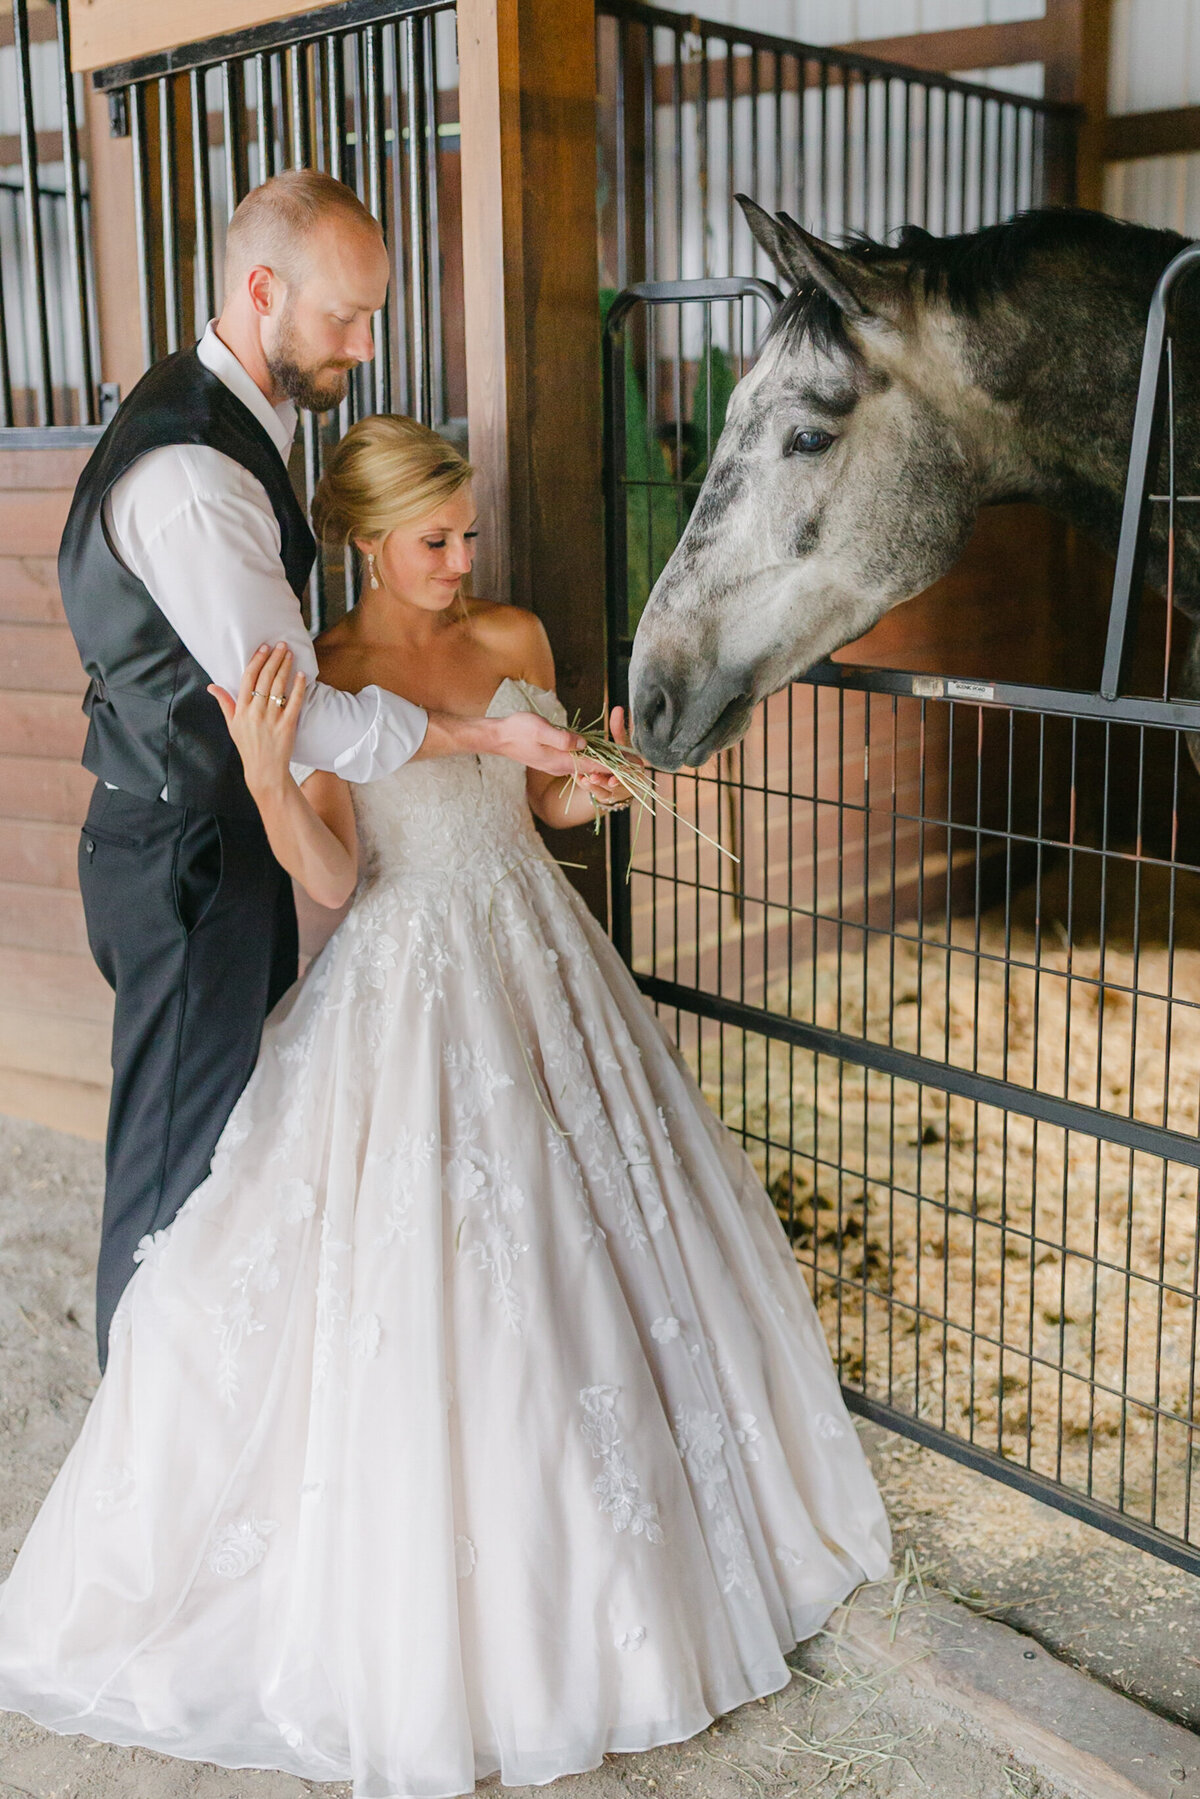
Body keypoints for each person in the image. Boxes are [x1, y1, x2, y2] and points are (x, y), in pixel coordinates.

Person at [0, 416, 891, 1798]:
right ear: (366, 543)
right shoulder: (335, 670)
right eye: (437, 540)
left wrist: (595, 786)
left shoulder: (516, 632)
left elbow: (541, 808)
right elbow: (338, 875)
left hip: (539, 956)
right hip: (407, 973)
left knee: (597, 1236)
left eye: (469, 531)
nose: (465, 558)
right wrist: (264, 771)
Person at [57, 170, 590, 1370]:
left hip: (208, 834)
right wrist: (486, 738)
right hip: (180, 850)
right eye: (348, 316)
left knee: (231, 1151)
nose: (365, 341)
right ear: (263, 290)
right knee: (175, 1171)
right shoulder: (194, 476)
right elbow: (301, 719)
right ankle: (142, 1435)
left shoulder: (241, 419)